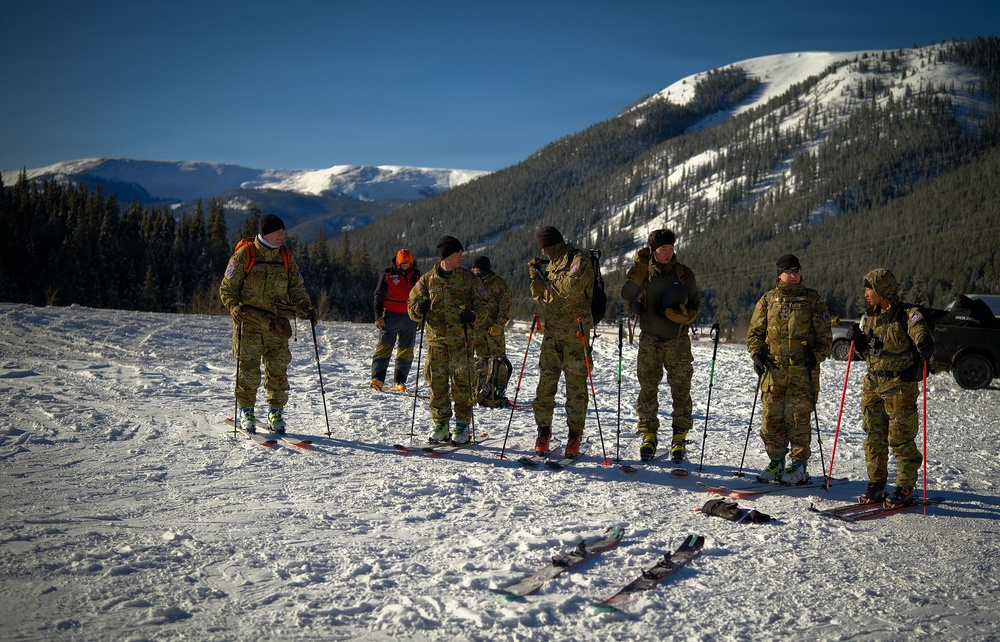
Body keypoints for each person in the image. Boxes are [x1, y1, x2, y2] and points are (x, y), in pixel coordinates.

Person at [219, 214, 315, 433]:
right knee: (248, 370)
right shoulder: (245, 255)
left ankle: (275, 412)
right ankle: (246, 410)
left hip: (277, 325)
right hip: (249, 324)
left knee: (278, 369)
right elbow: (227, 288)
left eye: (283, 231)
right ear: (266, 233)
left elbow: (296, 287)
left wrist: (306, 306)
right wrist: (234, 307)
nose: (283, 234)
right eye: (278, 231)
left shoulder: (286, 256)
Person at [847, 268, 934, 508]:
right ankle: (877, 483)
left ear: (882, 290)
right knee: (873, 435)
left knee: (901, 438)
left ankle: (905, 486)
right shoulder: (872, 317)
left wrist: (923, 342)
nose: (865, 293)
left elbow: (919, 331)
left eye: (869, 288)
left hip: (899, 386)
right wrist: (859, 342)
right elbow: (870, 353)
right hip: (873, 384)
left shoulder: (908, 314)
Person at [746, 254, 832, 484]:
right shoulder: (768, 300)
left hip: (801, 373)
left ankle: (799, 466)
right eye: (789, 271)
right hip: (773, 372)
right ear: (779, 274)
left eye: (797, 270)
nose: (794, 275)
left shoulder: (813, 300)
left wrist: (815, 358)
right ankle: (776, 462)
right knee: (771, 419)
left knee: (798, 419)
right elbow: (754, 333)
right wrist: (756, 354)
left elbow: (825, 337)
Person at [621, 229, 702, 463]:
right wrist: (638, 270)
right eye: (662, 249)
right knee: (648, 389)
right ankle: (649, 435)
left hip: (677, 341)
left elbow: (697, 303)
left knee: (681, 390)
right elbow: (626, 294)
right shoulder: (644, 272)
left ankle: (679, 438)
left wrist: (686, 315)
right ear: (653, 251)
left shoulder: (684, 274)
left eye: (671, 248)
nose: (668, 253)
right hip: (649, 341)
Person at [407, 235, 487, 445]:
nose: (462, 256)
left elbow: (484, 306)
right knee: (437, 385)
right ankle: (441, 424)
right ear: (446, 256)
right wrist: (419, 309)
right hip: (436, 344)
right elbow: (411, 307)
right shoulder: (426, 280)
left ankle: (462, 426)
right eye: (457, 253)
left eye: (461, 253)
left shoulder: (469, 280)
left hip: (462, 343)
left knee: (462, 385)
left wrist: (473, 316)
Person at [528, 226, 595, 459]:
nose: (543, 253)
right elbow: (542, 297)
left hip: (576, 335)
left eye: (545, 248)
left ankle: (574, 436)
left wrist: (547, 283)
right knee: (545, 386)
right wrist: (537, 278)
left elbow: (571, 288)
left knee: (575, 388)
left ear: (553, 245)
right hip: (552, 334)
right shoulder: (553, 265)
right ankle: (543, 432)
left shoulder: (579, 259)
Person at [371, 248, 420, 392]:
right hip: (391, 316)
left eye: (408, 263)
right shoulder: (387, 274)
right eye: (403, 264)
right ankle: (377, 378)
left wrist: (420, 317)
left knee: (406, 350)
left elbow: (422, 296)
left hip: (410, 318)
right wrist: (378, 316)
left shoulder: (416, 276)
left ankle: (400, 381)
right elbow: (378, 295)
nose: (406, 266)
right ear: (398, 263)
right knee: (384, 348)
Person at [471, 256, 513, 407]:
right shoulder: (473, 283)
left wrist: (499, 324)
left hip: (494, 330)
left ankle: (497, 392)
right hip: (478, 330)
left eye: (476, 269)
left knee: (498, 362)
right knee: (482, 360)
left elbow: (506, 305)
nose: (474, 271)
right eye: (473, 269)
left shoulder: (498, 284)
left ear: (483, 269)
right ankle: (481, 391)